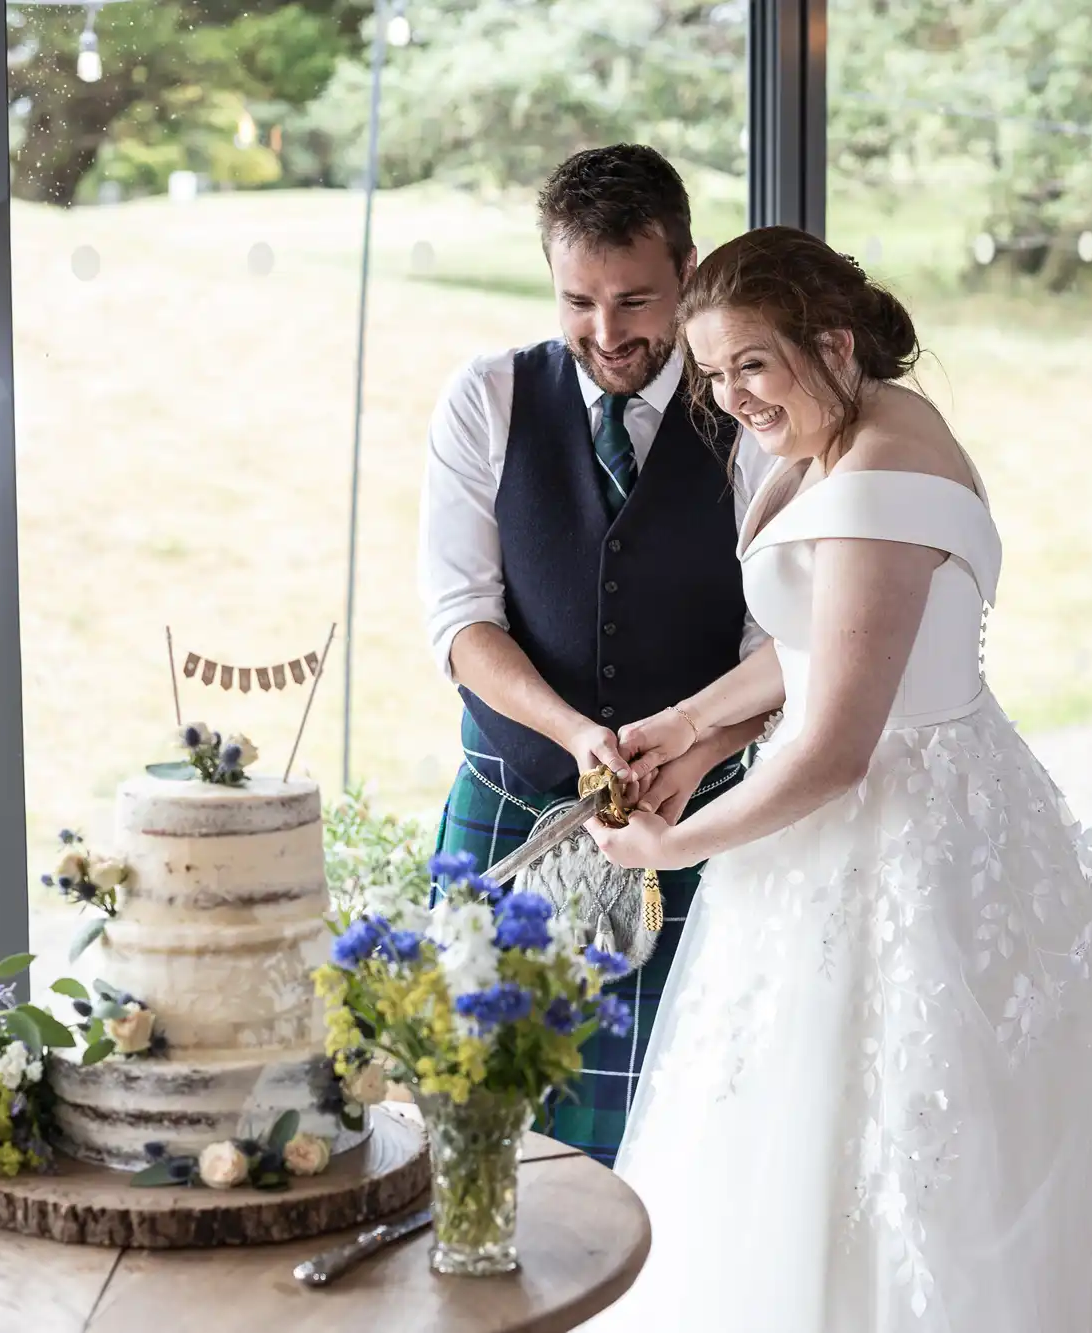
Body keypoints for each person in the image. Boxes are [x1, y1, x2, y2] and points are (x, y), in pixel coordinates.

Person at [585, 225, 1092, 1331]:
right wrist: (687, 727)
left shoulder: (883, 468)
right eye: (712, 374)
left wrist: (667, 846)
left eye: (750, 365)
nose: (731, 398)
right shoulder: (851, 433)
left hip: (899, 841)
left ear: (832, 340)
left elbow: (835, 745)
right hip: (858, 823)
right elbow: (823, 645)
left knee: (918, 1155)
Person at [417, 144, 776, 1166]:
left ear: (687, 272)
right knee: (478, 1120)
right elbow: (460, 623)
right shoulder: (486, 400)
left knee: (666, 1136)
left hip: (693, 819)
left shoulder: (749, 421)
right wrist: (574, 733)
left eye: (634, 300)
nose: (606, 333)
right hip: (507, 804)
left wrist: (695, 753)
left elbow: (775, 648)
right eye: (578, 301)